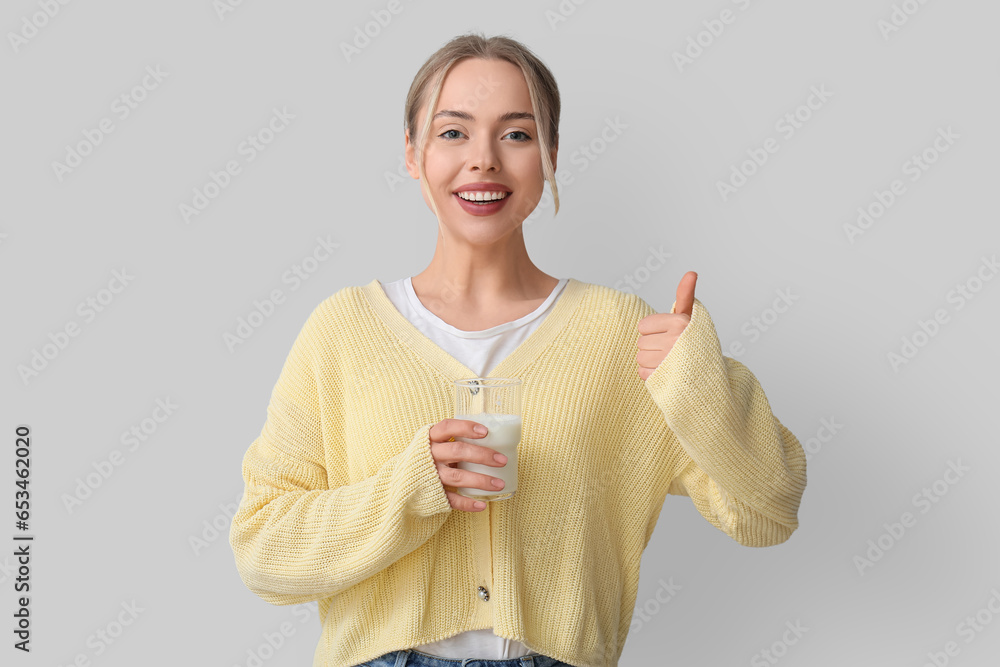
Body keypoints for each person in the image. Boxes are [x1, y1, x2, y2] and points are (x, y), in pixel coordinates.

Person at [228, 32, 807, 667]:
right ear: (412, 153)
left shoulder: (621, 334)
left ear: (550, 155)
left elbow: (768, 511)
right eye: (452, 133)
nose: (483, 160)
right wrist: (410, 491)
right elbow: (264, 553)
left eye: (516, 134)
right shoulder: (342, 331)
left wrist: (700, 385)